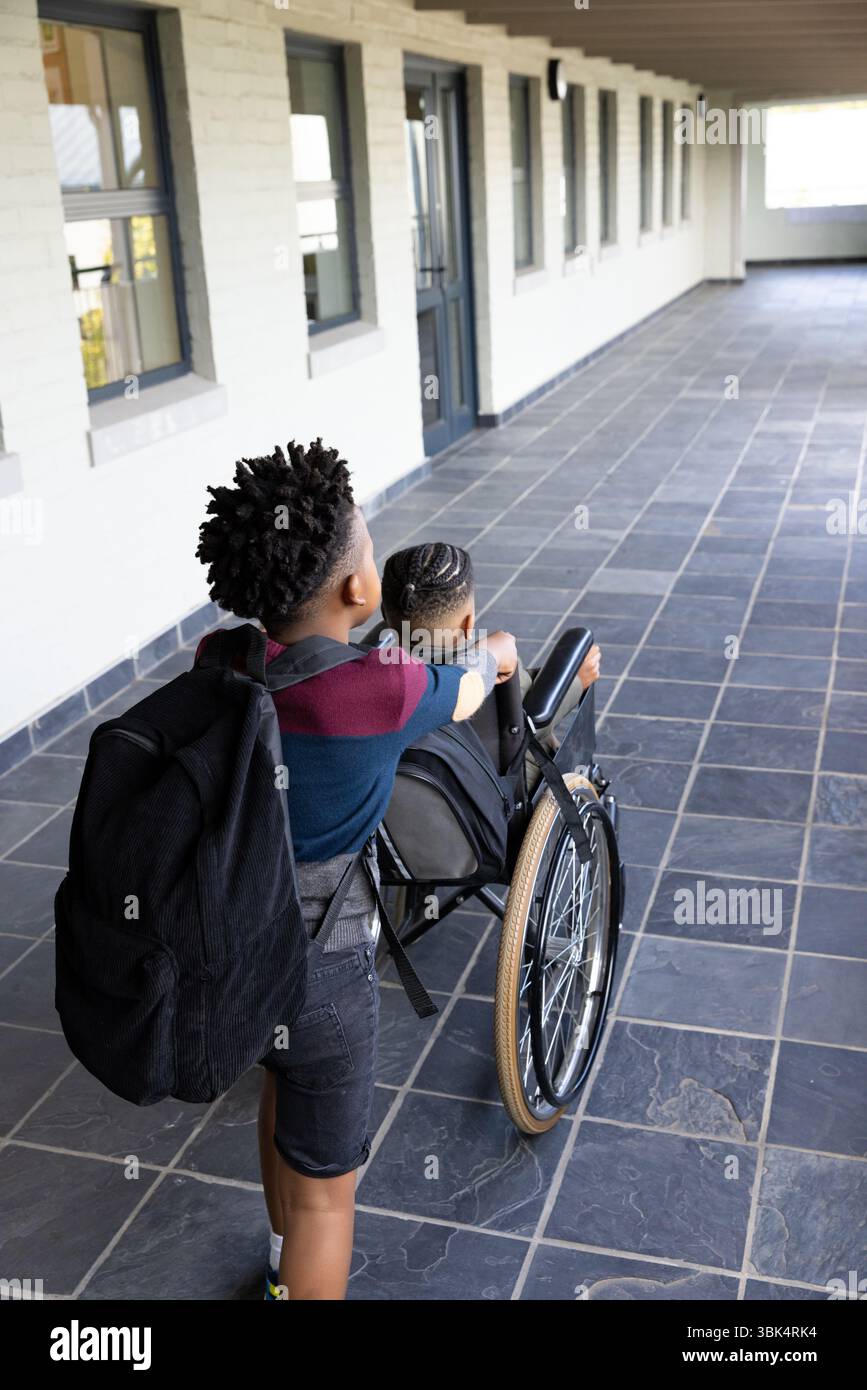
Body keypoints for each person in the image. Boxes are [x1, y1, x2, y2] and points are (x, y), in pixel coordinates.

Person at [194, 441, 518, 1300]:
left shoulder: (220, 662)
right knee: (328, 1197)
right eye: (368, 552)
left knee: (275, 1094)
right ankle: (297, 1270)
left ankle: (274, 1263)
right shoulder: (382, 688)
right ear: (358, 591)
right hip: (324, 970)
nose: (373, 564)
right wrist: (496, 650)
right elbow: (472, 683)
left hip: (229, 950)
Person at [378, 541, 601, 791]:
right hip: (493, 788)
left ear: (384, 614)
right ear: (469, 621)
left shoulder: (372, 673)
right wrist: (578, 680)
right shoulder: (488, 671)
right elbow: (532, 719)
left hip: (410, 789)